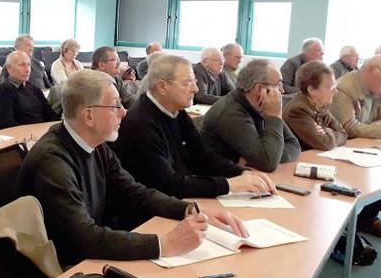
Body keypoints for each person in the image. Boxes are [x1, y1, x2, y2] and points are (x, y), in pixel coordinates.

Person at [18, 69, 246, 266]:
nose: (123, 112)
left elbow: (135, 192)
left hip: (89, 255)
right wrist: (164, 244)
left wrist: (189, 210)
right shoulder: (52, 161)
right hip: (62, 268)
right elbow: (85, 238)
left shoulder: (96, 145)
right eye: (115, 105)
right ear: (88, 115)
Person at [112, 54, 276, 199]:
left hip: (175, 200)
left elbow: (203, 156)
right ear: (162, 87)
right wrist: (228, 185)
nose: (196, 89)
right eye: (188, 83)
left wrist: (242, 172)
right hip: (147, 214)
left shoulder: (176, 111)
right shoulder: (141, 123)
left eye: (195, 82)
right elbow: (168, 184)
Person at [329, 54, 381, 240]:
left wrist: (368, 128)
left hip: (367, 146)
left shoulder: (377, 88)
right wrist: (380, 128)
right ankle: (347, 228)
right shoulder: (344, 89)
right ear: (370, 70)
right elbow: (349, 128)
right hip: (342, 151)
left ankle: (367, 218)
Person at [201, 58, 301, 172]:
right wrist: (274, 117)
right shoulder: (231, 113)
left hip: (249, 174)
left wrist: (258, 158)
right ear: (259, 88)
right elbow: (267, 163)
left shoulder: (263, 105)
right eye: (278, 85)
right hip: (222, 181)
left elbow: (294, 145)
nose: (282, 90)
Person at [283, 61, 347, 151]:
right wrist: (330, 133)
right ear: (312, 90)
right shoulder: (298, 110)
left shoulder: (320, 105)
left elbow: (343, 134)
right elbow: (325, 143)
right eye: (331, 87)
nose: (335, 91)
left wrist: (326, 132)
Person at [0, 51, 59, 128]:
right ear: (9, 68)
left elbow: (50, 114)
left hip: (41, 132)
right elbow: (7, 123)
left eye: (28, 65)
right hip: (23, 135)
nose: (27, 69)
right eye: (22, 65)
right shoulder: (4, 91)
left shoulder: (34, 89)